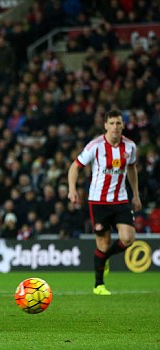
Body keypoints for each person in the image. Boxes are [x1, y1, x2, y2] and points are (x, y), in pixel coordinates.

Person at [67, 108, 141, 296]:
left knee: (128, 238)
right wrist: (72, 189)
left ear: (123, 125)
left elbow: (132, 169)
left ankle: (103, 258)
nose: (115, 127)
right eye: (112, 123)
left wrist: (136, 195)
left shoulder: (130, 147)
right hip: (98, 202)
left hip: (121, 199)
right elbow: (75, 167)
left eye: (118, 123)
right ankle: (98, 285)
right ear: (105, 125)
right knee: (103, 243)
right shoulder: (96, 146)